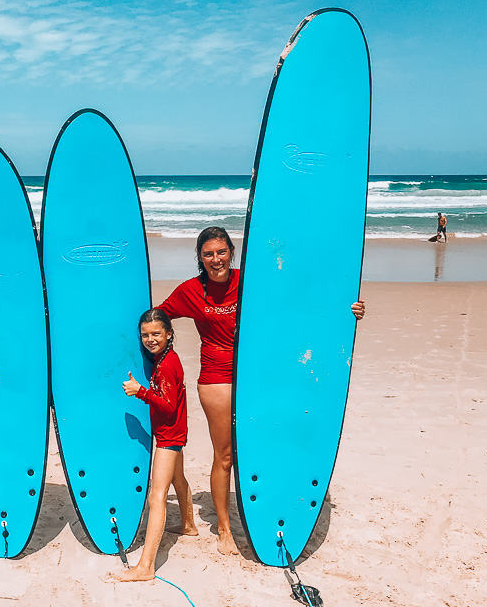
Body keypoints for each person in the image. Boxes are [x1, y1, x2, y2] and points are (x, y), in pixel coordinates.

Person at [155, 226, 365, 556]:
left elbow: (296, 304)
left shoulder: (249, 282)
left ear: (231, 253)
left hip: (256, 378)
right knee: (224, 456)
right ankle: (224, 528)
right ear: (199, 257)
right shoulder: (192, 292)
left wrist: (345, 310)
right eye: (208, 253)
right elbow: (157, 317)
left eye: (221, 252)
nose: (215, 259)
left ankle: (266, 509)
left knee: (263, 447)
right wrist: (156, 352)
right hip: (216, 379)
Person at [112, 309, 197, 582]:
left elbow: (169, 407)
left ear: (169, 334)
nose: (150, 339)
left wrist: (141, 393)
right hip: (173, 432)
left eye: (156, 334)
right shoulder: (162, 360)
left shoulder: (168, 364)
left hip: (170, 436)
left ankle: (146, 566)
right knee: (178, 480)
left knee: (156, 496)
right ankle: (188, 524)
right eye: (145, 335)